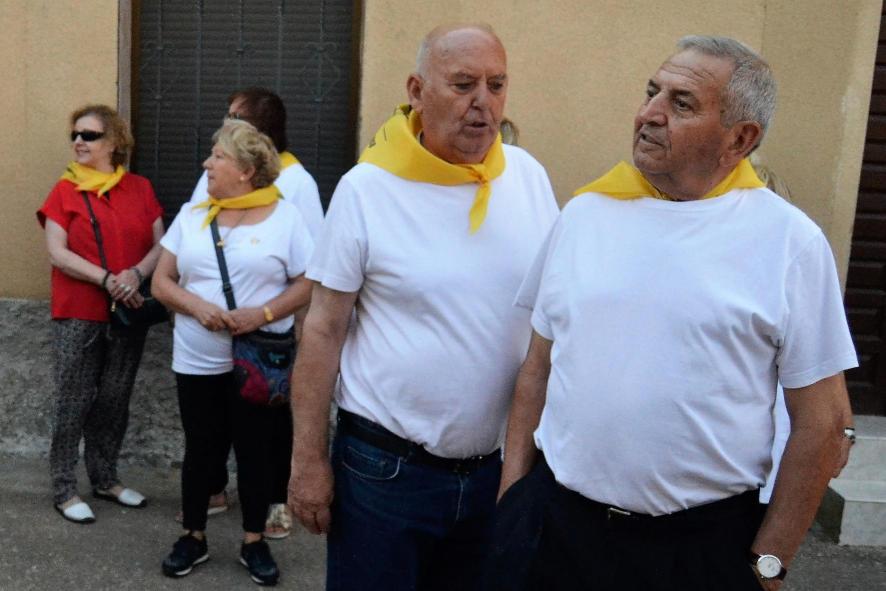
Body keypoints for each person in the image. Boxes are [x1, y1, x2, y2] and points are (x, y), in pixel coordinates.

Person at [495, 36, 858, 591]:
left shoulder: (789, 242)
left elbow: (823, 423)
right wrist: (512, 499)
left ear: (741, 138)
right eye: (651, 92)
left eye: (681, 103)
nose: (649, 113)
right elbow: (537, 368)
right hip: (556, 531)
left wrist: (768, 564)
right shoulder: (585, 215)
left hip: (696, 549)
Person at [288, 23, 559, 591]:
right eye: (463, 84)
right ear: (416, 90)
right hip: (383, 474)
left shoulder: (528, 178)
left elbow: (552, 320)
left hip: (495, 474)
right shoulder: (368, 189)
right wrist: (307, 460)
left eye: (496, 84)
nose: (482, 101)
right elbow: (322, 330)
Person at [153, 120, 313, 585]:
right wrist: (197, 307)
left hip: (259, 361)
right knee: (200, 448)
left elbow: (309, 281)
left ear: (246, 170)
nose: (207, 164)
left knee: (255, 450)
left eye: (218, 157)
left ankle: (254, 541)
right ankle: (193, 536)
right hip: (196, 358)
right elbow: (162, 281)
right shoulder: (193, 214)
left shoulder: (286, 218)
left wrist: (263, 314)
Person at [186, 87, 323, 539]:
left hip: (267, 331)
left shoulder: (297, 181)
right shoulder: (215, 169)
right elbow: (193, 226)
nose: (226, 122)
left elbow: (311, 262)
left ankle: (275, 502)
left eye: (236, 117)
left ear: (263, 132)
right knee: (211, 420)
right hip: (210, 330)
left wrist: (289, 321)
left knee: (269, 421)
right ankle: (213, 489)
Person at [37, 104, 164, 524]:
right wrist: (108, 279)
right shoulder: (64, 191)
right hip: (79, 310)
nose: (78, 141)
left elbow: (161, 244)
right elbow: (57, 254)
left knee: (115, 398)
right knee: (73, 399)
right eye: (75, 134)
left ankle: (105, 479)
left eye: (89, 135)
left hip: (127, 311)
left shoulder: (140, 189)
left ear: (114, 142)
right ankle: (64, 488)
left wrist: (136, 274)